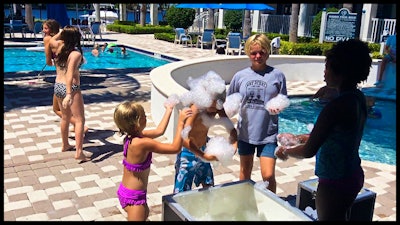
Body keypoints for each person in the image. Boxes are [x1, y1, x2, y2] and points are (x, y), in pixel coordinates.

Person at [275, 39, 372, 221]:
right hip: (352, 173)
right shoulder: (358, 98)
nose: (324, 72)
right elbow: (335, 135)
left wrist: (286, 152)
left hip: (334, 182)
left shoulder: (336, 107)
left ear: (340, 72)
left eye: (327, 67)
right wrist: (299, 137)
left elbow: (309, 151)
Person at [227, 33, 288, 193]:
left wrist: (279, 107)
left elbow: (283, 100)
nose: (258, 56)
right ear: (248, 53)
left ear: (268, 51)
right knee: (244, 174)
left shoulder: (277, 75)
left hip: (268, 135)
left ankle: (271, 208)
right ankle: (243, 205)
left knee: (268, 177)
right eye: (254, 53)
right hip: (245, 134)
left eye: (262, 52)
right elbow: (230, 103)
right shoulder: (239, 76)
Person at [114, 100, 192, 221]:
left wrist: (169, 109)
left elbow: (159, 131)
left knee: (145, 213)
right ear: (136, 124)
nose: (146, 117)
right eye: (144, 116)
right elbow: (175, 148)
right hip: (135, 198)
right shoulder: (142, 143)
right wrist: (181, 122)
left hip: (128, 191)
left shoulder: (132, 137)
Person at [173, 90, 238, 194]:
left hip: (203, 147)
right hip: (188, 151)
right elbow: (184, 138)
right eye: (212, 107)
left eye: (216, 108)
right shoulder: (195, 109)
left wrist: (233, 147)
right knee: (181, 190)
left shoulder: (217, 108)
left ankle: (207, 207)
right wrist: (203, 156)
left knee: (208, 184)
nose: (214, 111)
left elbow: (232, 130)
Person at [48, 25, 90, 161]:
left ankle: (65, 145)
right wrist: (69, 94)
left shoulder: (58, 48)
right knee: (79, 120)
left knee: (65, 117)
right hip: (70, 88)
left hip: (57, 85)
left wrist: (61, 33)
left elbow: (50, 41)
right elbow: (70, 73)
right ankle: (79, 153)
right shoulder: (75, 54)